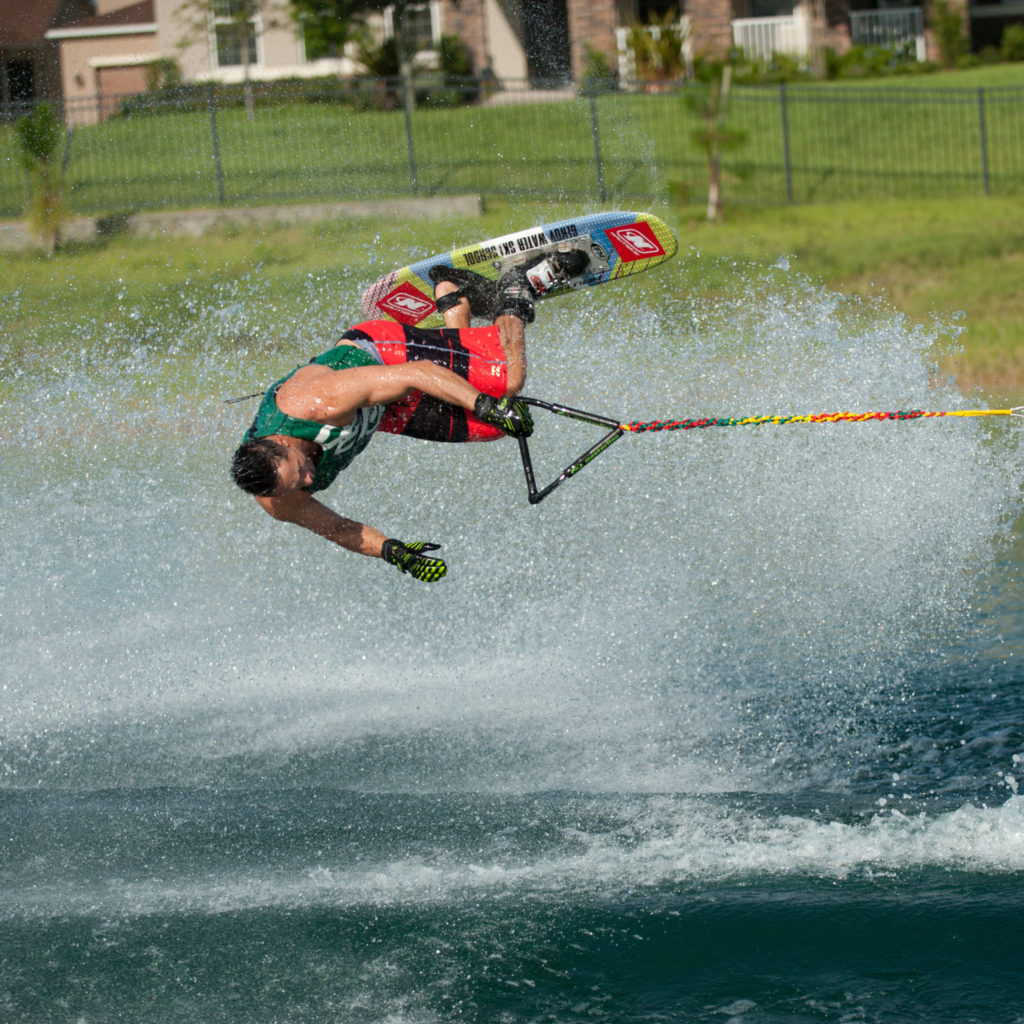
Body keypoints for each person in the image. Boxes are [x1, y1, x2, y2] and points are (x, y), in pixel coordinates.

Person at [230, 256, 578, 583]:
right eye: (297, 485)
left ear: (279, 442)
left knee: (505, 379)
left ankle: (517, 284)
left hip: (382, 356)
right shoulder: (276, 496)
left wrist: (487, 404)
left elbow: (419, 374)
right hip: (380, 410)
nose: (307, 480)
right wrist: (392, 551)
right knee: (490, 430)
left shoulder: (317, 403)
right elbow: (337, 529)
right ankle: (452, 295)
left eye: (300, 469)